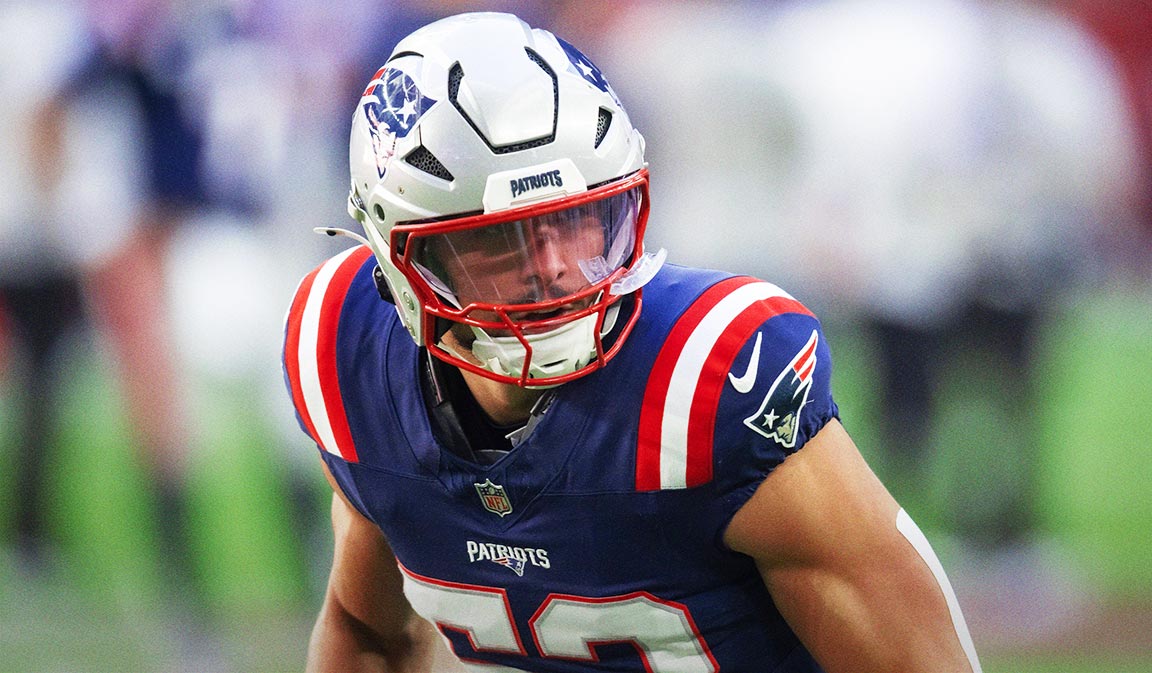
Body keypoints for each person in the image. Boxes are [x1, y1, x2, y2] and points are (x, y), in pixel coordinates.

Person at [282, 12, 982, 672]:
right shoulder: (348, 351)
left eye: (581, 220)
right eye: (499, 239)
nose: (553, 266)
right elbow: (365, 630)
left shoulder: (710, 382)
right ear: (399, 257)